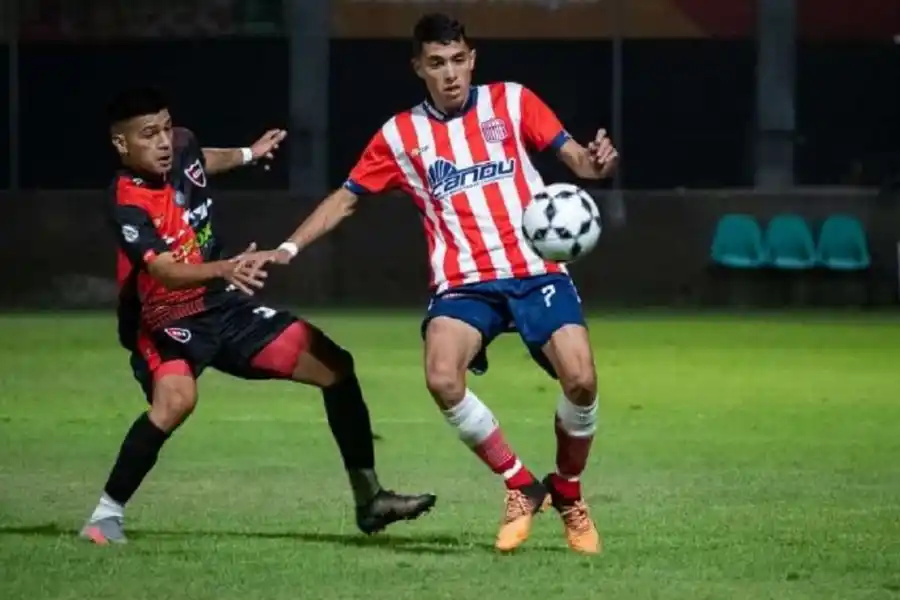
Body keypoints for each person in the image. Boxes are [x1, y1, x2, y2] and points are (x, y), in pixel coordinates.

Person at [242, 13, 618, 554]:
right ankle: (519, 484)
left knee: (581, 381)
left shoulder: (512, 102)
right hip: (464, 282)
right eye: (436, 64)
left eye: (458, 60)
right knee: (442, 377)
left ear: (472, 59)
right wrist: (288, 246)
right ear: (419, 67)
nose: (450, 74)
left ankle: (569, 493)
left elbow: (579, 160)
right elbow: (346, 198)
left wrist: (599, 164)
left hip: (536, 272)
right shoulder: (400, 135)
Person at [80, 87, 436, 545]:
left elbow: (201, 159)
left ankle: (371, 500)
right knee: (175, 402)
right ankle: (104, 517)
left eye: (166, 127)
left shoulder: (182, 146)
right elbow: (165, 272)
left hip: (222, 305)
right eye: (149, 134)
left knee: (334, 366)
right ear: (121, 144)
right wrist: (226, 268)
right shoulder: (126, 201)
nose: (165, 141)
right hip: (164, 319)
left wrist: (249, 153)